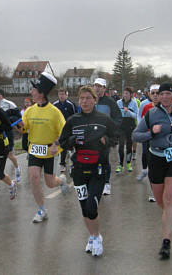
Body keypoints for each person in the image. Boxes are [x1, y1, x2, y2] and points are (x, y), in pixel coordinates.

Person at [132, 82, 172, 260]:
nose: (165, 97)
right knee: (162, 201)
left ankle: (166, 242)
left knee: (170, 199)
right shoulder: (151, 114)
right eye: (162, 94)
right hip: (157, 158)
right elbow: (135, 135)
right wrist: (151, 133)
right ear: (158, 97)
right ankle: (170, 215)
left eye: (169, 94)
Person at [59, 86, 117, 257]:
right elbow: (63, 142)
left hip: (98, 168)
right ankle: (92, 236)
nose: (84, 101)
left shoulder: (104, 119)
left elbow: (116, 137)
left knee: (92, 206)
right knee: (84, 207)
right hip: (78, 169)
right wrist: (71, 140)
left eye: (88, 98)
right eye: (81, 98)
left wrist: (106, 139)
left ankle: (98, 237)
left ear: (94, 100)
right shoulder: (72, 120)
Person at [21, 72, 69, 223]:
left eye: (33, 90)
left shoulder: (55, 112)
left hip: (49, 151)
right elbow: (24, 129)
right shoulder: (29, 110)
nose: (31, 92)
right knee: (34, 178)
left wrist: (56, 144)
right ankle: (42, 209)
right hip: (34, 150)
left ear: (41, 93)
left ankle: (61, 180)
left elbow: (65, 132)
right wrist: (19, 126)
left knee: (49, 183)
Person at [92, 78, 122, 195]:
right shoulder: (90, 100)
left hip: (105, 136)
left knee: (104, 159)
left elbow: (118, 118)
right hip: (91, 136)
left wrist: (110, 131)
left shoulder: (110, 102)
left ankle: (106, 183)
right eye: (96, 86)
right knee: (92, 160)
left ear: (104, 89)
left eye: (100, 86)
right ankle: (94, 182)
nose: (97, 88)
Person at [136, 85, 159, 202]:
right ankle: (154, 191)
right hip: (148, 138)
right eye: (153, 93)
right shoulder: (146, 107)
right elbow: (141, 121)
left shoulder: (167, 108)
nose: (155, 95)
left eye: (157, 93)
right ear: (149, 94)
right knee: (149, 161)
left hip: (162, 141)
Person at [0, 89, 22, 184]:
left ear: (2, 95)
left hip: (7, 133)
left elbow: (18, 117)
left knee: (9, 154)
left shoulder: (10, 104)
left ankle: (17, 168)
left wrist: (9, 122)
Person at [53, 88, 76, 172]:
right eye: (60, 94)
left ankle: (71, 163)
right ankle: (62, 164)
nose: (61, 96)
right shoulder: (55, 104)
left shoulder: (71, 105)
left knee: (68, 146)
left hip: (68, 129)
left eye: (63, 94)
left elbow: (74, 116)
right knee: (62, 147)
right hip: (58, 130)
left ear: (66, 95)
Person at [116, 87, 138, 173]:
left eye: (127, 93)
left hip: (130, 126)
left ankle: (128, 163)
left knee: (129, 146)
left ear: (131, 95)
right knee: (121, 146)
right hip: (121, 127)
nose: (125, 95)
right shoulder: (118, 102)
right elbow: (116, 114)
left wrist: (128, 111)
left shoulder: (134, 103)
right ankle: (120, 164)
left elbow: (135, 115)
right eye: (124, 93)